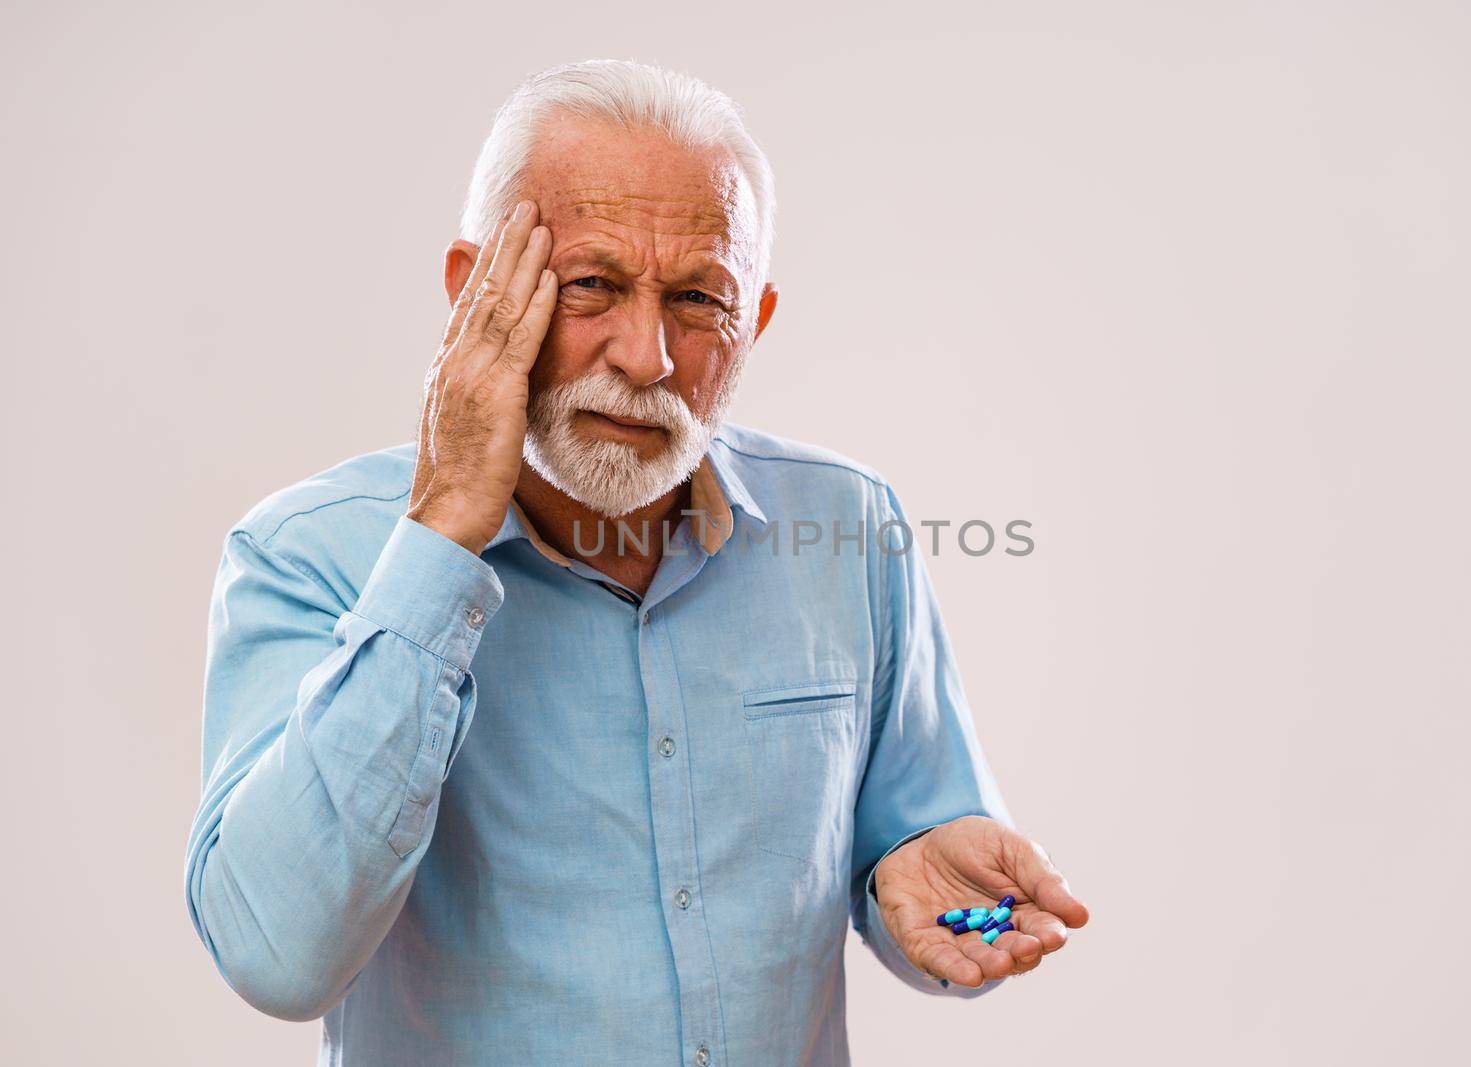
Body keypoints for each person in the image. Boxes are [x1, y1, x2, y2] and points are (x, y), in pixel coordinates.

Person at [183, 58, 1089, 1066]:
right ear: (469, 292)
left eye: (700, 298)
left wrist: (912, 881)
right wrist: (442, 533)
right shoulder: (307, 552)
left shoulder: (849, 524)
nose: (646, 354)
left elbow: (913, 851)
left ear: (756, 323)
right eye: (592, 286)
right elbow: (275, 956)